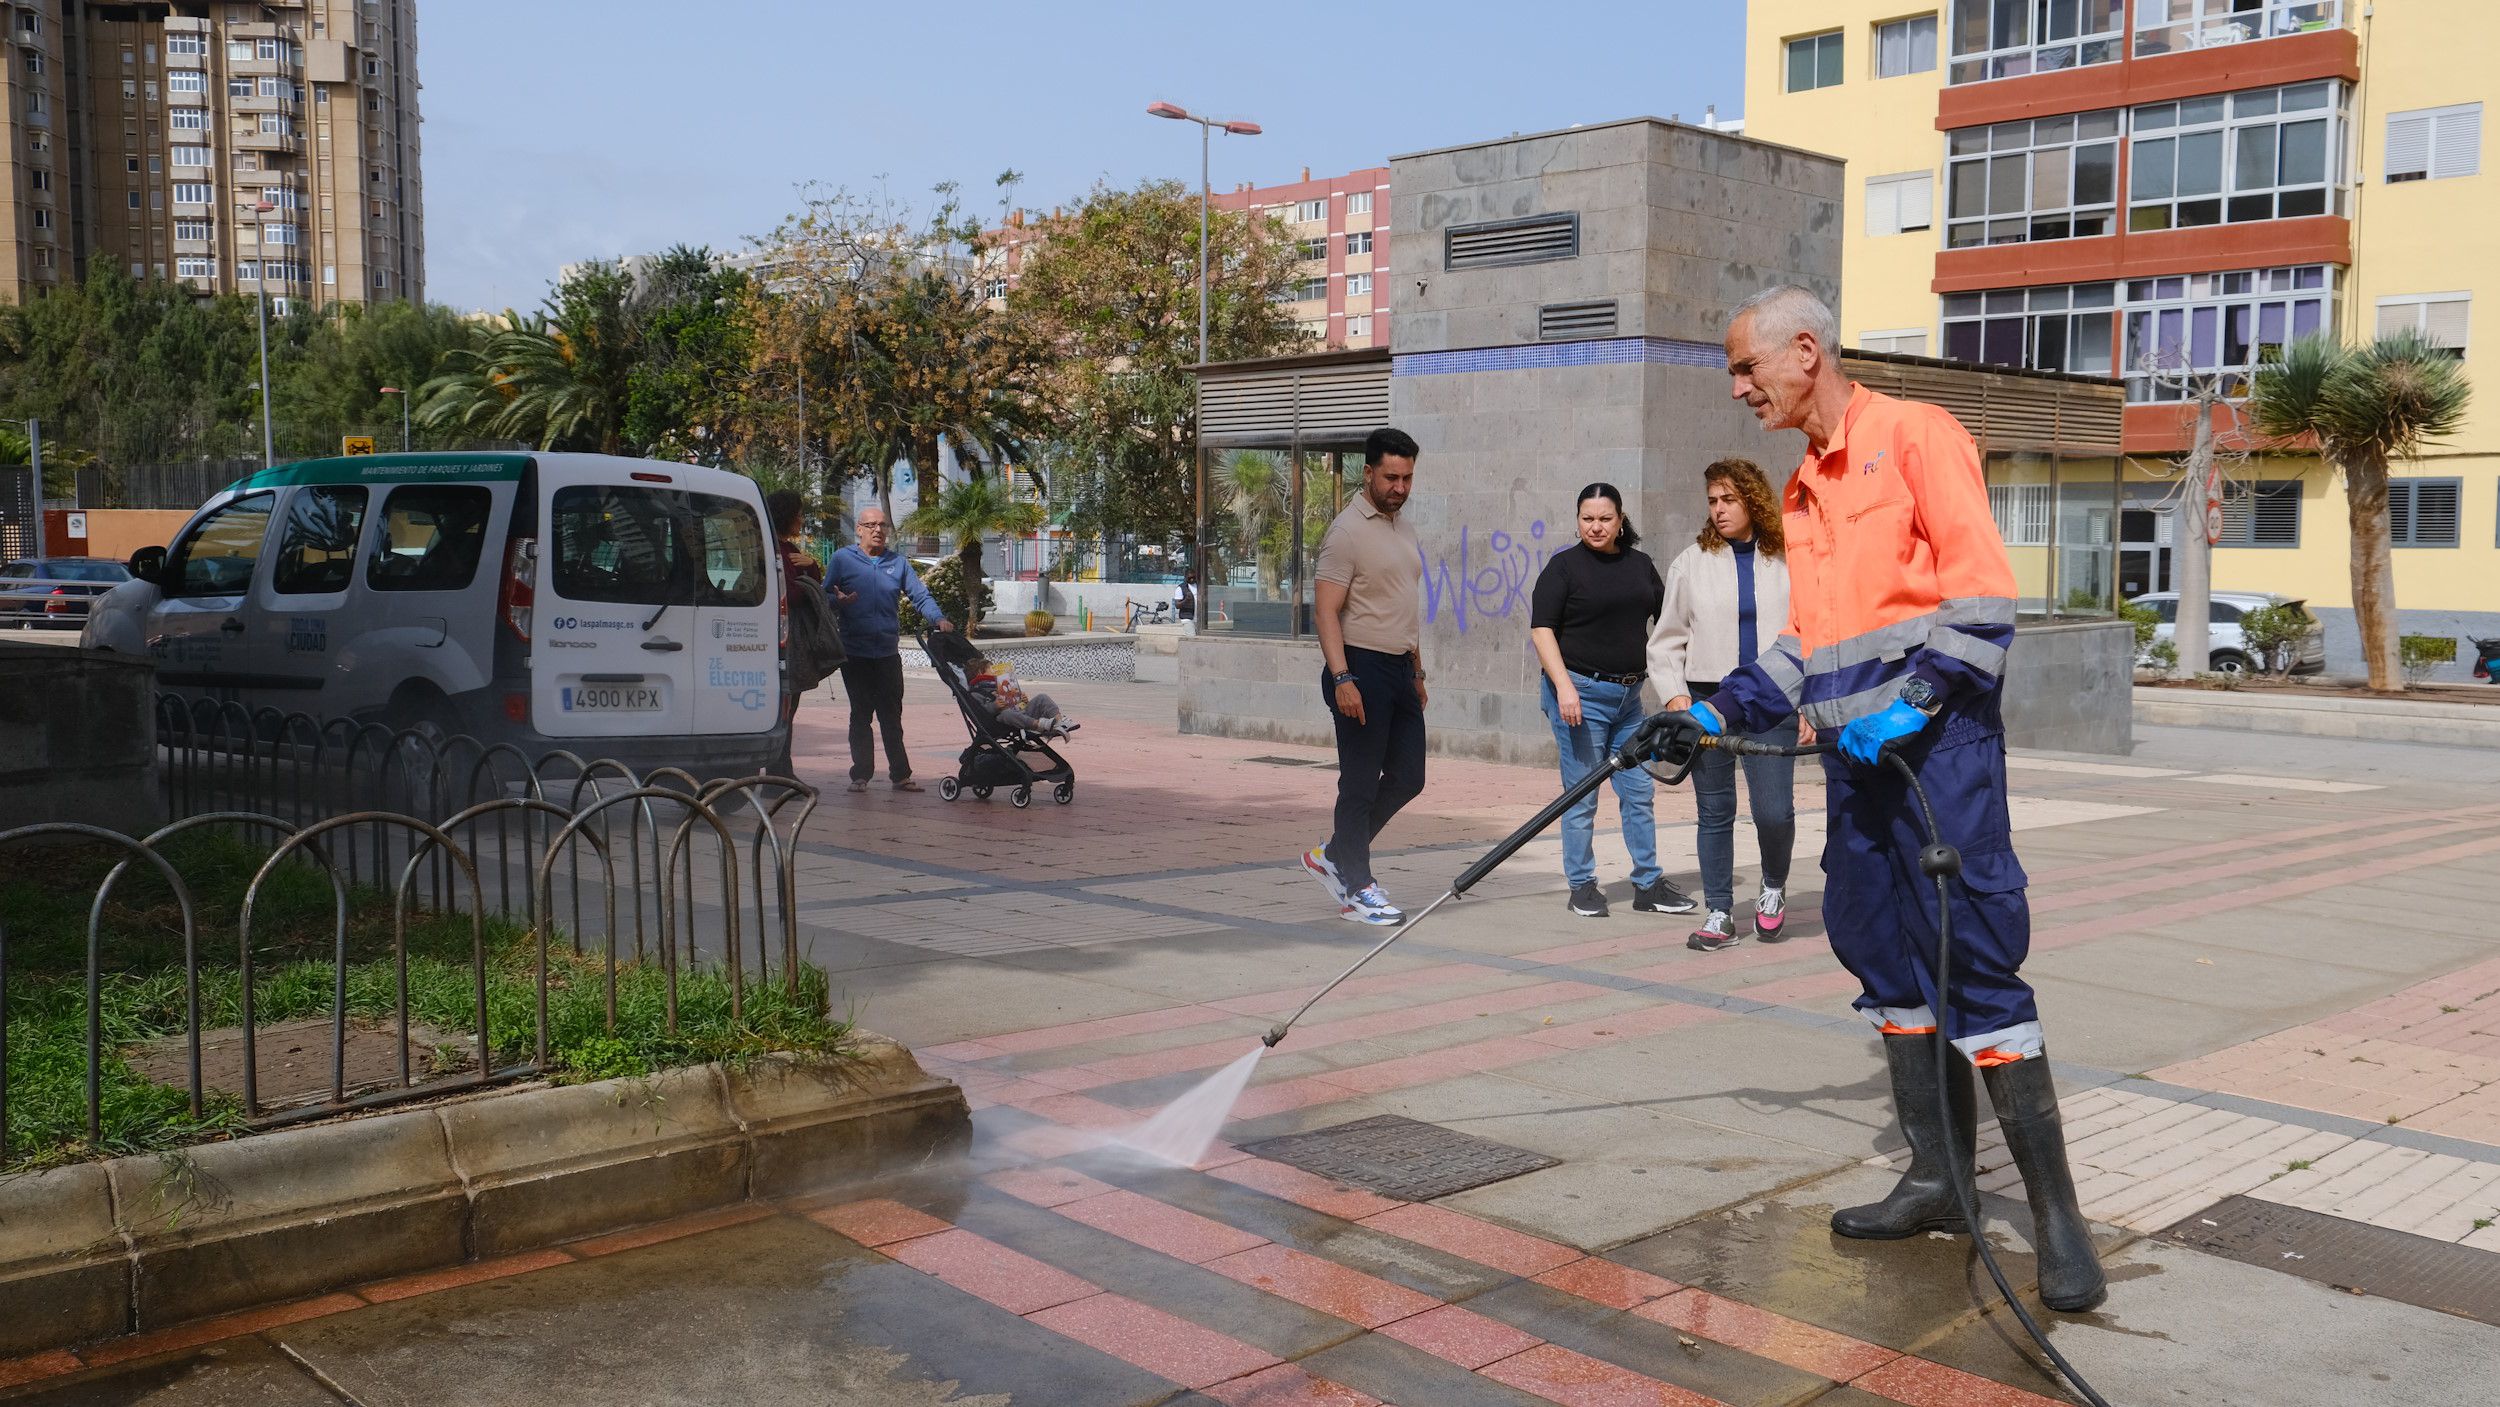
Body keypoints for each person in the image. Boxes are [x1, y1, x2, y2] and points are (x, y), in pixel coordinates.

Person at [1684, 285, 2105, 1312]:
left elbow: (1980, 601)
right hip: (1855, 768)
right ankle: (1935, 1178)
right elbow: (1810, 645)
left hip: (1938, 756)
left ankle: (2055, 1216)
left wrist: (1912, 704)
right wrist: (1708, 714)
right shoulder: (1801, 488)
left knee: (1971, 957)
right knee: (1881, 955)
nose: (1737, 388)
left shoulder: (1918, 435)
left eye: (1747, 369)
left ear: (1802, 351)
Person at [1649, 459, 1802, 951]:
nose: (1718, 510)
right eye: (1712, 501)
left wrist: (1809, 705)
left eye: (1729, 500)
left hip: (1773, 700)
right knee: (1714, 811)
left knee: (1774, 811)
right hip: (1707, 703)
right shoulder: (1690, 562)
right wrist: (1676, 695)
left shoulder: (1788, 559)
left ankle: (1773, 888)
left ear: (1754, 500)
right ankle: (1718, 912)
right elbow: (1666, 639)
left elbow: (1811, 637)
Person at [1528, 482, 1691, 920]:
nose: (1596, 527)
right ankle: (1581, 884)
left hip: (1629, 701)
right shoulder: (1563, 568)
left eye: (1604, 518)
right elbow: (1541, 629)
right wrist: (1563, 687)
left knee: (1638, 792)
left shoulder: (1640, 566)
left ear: (1621, 520)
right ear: (1577, 520)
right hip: (1580, 696)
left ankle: (1647, 883)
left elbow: (1669, 620)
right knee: (1581, 796)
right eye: (1587, 519)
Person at [1302, 426, 1426, 926]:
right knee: (1358, 784)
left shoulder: (1404, 528)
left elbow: (1404, 604)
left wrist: (1417, 669)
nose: (1399, 487)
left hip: (1399, 668)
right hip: (1360, 667)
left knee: (1409, 778)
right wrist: (1342, 677)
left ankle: (1335, 853)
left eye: (1408, 478)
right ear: (1368, 472)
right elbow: (1326, 612)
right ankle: (1357, 885)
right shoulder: (1346, 532)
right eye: (1391, 477)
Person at [825, 506, 950, 794]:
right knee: (860, 715)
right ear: (859, 529)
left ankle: (900, 775)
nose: (878, 530)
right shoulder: (843, 559)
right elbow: (823, 594)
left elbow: (920, 595)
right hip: (854, 653)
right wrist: (837, 600)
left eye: (883, 525)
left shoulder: (898, 563)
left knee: (891, 716)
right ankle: (861, 775)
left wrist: (939, 618)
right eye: (871, 525)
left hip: (886, 654)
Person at [766, 489, 823, 778]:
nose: (801, 520)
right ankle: (780, 773)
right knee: (786, 709)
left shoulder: (785, 550)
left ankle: (781, 770)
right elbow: (795, 593)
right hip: (787, 642)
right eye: (798, 514)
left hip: (785, 640)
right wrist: (812, 568)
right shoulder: (781, 552)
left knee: (788, 709)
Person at [964, 652, 1079, 738]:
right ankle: (1039, 725)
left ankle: (1059, 721)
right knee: (1006, 714)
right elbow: (980, 713)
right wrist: (995, 706)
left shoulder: (1000, 684)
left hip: (1021, 713)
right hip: (1003, 721)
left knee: (1041, 697)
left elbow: (1019, 704)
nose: (996, 672)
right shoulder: (976, 693)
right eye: (992, 670)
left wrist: (1022, 700)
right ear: (980, 673)